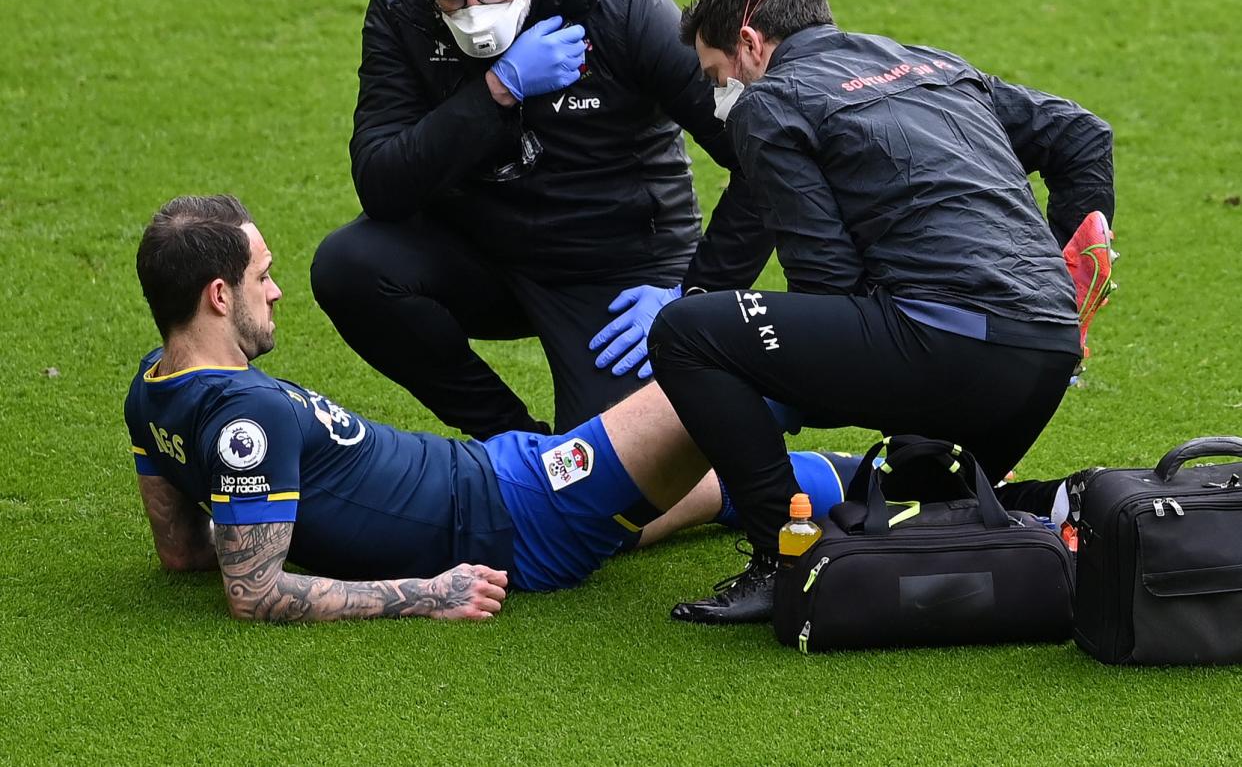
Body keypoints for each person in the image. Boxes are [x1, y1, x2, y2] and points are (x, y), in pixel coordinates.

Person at [648, 0, 1115, 624]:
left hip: (946, 349)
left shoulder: (772, 102)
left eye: (715, 76)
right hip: (1045, 349)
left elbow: (827, 285)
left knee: (685, 334)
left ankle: (783, 559)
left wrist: (758, 368)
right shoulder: (932, 63)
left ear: (748, 45)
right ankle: (1068, 505)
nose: (719, 95)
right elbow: (1082, 134)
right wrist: (1067, 272)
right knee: (899, 512)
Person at [126, 195, 848, 622]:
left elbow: (183, 551)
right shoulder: (245, 418)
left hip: (502, 475)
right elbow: (253, 594)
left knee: (690, 484)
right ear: (218, 296)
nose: (276, 292)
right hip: (523, 508)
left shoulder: (150, 387)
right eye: (262, 276)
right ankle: (907, 362)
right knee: (721, 364)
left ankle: (867, 474)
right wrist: (428, 592)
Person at [310, 0, 769, 441]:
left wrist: (691, 296)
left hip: (615, 270)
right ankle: (515, 444)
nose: (474, 13)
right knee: (348, 267)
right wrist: (497, 91)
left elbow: (761, 160)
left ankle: (809, 476)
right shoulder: (402, 5)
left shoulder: (620, 4)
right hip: (482, 252)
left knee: (618, 488)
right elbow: (382, 183)